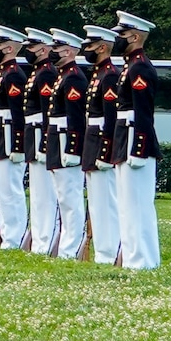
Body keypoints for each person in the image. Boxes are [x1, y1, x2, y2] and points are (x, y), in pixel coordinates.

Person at [110, 10, 160, 270]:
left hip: (133, 138)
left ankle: (144, 260)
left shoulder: (139, 66)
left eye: (122, 34)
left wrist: (139, 148)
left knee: (138, 204)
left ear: (135, 36)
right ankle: (133, 258)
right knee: (127, 204)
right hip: (124, 135)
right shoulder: (130, 65)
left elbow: (143, 111)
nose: (118, 39)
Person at [45, 28, 88, 259]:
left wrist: (73, 148)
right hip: (56, 137)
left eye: (57, 48)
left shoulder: (73, 77)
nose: (52, 52)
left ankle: (72, 245)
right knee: (63, 196)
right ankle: (66, 243)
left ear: (70, 51)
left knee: (70, 197)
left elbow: (76, 116)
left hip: (64, 140)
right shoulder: (63, 75)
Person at [81, 24, 121, 264]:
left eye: (91, 46)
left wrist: (106, 152)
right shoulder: (98, 74)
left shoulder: (110, 75)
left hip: (100, 140)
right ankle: (102, 251)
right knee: (96, 201)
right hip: (91, 138)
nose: (87, 50)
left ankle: (109, 251)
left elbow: (111, 118)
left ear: (103, 47)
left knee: (106, 201)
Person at [0, 26, 28, 250]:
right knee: (3, 190)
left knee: (11, 189)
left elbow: (17, 113)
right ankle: (7, 234)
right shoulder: (4, 72)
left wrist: (18, 144)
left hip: (8, 134)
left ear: (10, 48)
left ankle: (14, 237)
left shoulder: (13, 74)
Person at [22, 27, 59, 254]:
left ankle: (46, 239)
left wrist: (45, 142)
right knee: (37, 194)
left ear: (43, 49)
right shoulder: (37, 72)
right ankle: (39, 239)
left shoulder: (46, 73)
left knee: (45, 194)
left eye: (33, 47)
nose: (29, 51)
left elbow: (48, 112)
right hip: (32, 135)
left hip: (40, 135)